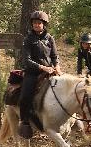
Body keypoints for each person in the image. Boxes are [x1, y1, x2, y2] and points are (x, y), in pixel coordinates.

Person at [18, 10, 61, 139]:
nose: (37, 25)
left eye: (39, 23)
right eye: (35, 23)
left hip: (50, 71)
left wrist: (57, 67)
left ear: (44, 24)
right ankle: (24, 122)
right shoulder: (28, 39)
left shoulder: (49, 38)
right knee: (25, 96)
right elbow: (26, 60)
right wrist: (42, 68)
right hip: (33, 73)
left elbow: (54, 56)